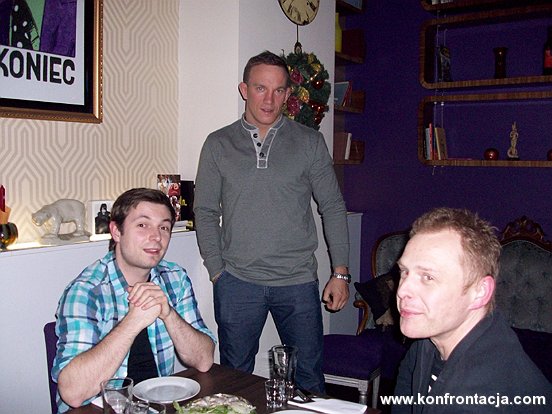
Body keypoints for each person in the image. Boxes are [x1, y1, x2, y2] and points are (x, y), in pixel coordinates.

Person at [193, 50, 350, 393]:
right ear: (244, 89)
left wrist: (340, 273)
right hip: (237, 282)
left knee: (309, 380)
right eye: (260, 88)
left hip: (297, 282)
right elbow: (204, 211)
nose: (269, 99)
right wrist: (217, 271)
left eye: (278, 90)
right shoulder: (218, 144)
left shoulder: (309, 142)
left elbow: (333, 206)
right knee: (233, 380)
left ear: (288, 94)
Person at [52, 188, 216, 412]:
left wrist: (168, 314)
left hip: (156, 406)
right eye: (142, 225)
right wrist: (133, 321)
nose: (156, 237)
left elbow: (204, 360)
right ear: (116, 232)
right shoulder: (87, 292)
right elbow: (73, 394)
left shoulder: (174, 278)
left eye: (164, 227)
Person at [392, 207, 552, 413]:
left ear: (480, 292)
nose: (402, 290)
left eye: (428, 277)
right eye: (404, 272)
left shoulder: (482, 397)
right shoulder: (428, 343)